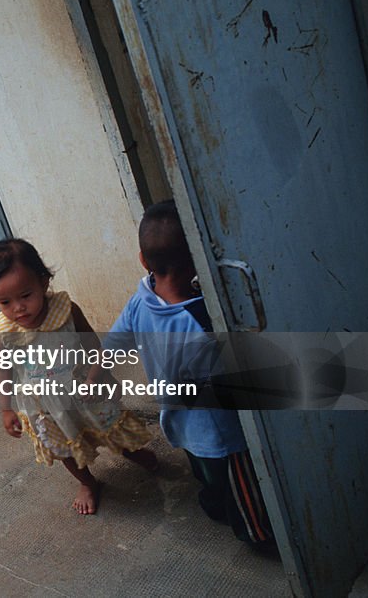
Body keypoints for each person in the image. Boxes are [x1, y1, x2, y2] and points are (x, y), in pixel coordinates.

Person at [106, 200, 274, 549]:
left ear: (142, 258)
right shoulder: (201, 322)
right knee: (239, 482)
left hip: (178, 421)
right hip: (221, 432)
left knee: (205, 472)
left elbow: (115, 343)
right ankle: (256, 534)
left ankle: (214, 504)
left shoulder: (142, 297)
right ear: (198, 259)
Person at [0, 238, 158, 515]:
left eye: (26, 295)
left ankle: (133, 452)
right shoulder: (2, 330)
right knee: (65, 450)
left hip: (87, 392)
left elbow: (92, 346)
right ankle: (87, 482)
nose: (18, 308)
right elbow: (2, 368)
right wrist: (5, 409)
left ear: (43, 282)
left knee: (111, 428)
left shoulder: (66, 311)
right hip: (45, 408)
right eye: (4, 301)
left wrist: (105, 378)